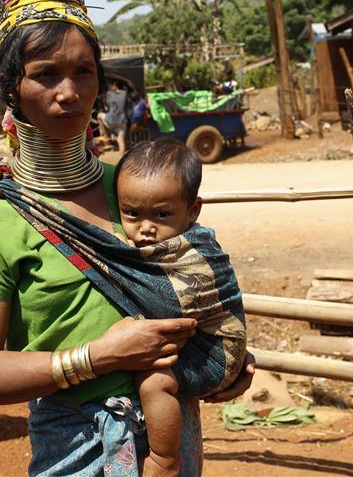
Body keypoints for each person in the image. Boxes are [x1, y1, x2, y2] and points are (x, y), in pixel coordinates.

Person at [0, 0, 255, 477]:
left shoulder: (137, 190)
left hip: (173, 430)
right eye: (46, 74)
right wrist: (99, 357)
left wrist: (223, 358)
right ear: (11, 89)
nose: (69, 92)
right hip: (78, 444)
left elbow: (196, 284)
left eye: (84, 73)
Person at [114, 139, 247, 476]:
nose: (145, 227)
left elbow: (173, 299)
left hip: (218, 353)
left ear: (193, 210)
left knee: (154, 379)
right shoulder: (160, 242)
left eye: (161, 214)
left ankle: (165, 458)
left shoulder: (195, 250)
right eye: (132, 214)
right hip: (209, 342)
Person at [98, 79, 129, 154]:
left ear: (114, 86)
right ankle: (121, 158)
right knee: (121, 140)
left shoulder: (109, 94)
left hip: (111, 119)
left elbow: (106, 106)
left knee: (99, 115)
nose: (108, 88)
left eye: (109, 86)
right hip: (122, 121)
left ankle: (106, 136)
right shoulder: (125, 93)